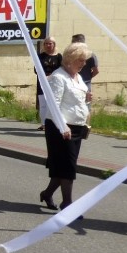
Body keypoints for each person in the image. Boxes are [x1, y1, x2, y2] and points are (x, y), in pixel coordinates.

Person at [38, 42, 92, 211]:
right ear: (70, 59)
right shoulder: (58, 77)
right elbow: (54, 104)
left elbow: (74, 100)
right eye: (80, 60)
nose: (83, 64)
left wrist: (86, 98)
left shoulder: (78, 77)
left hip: (76, 127)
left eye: (84, 60)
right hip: (60, 127)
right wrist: (63, 127)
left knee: (64, 166)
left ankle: (47, 194)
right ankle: (67, 203)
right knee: (68, 167)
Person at [36, 37, 62, 129]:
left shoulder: (59, 57)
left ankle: (53, 123)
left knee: (53, 104)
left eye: (50, 43)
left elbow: (61, 69)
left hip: (55, 83)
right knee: (43, 104)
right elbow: (36, 69)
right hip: (43, 82)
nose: (48, 45)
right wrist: (44, 76)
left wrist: (52, 76)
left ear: (54, 44)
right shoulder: (40, 56)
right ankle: (43, 124)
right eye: (46, 43)